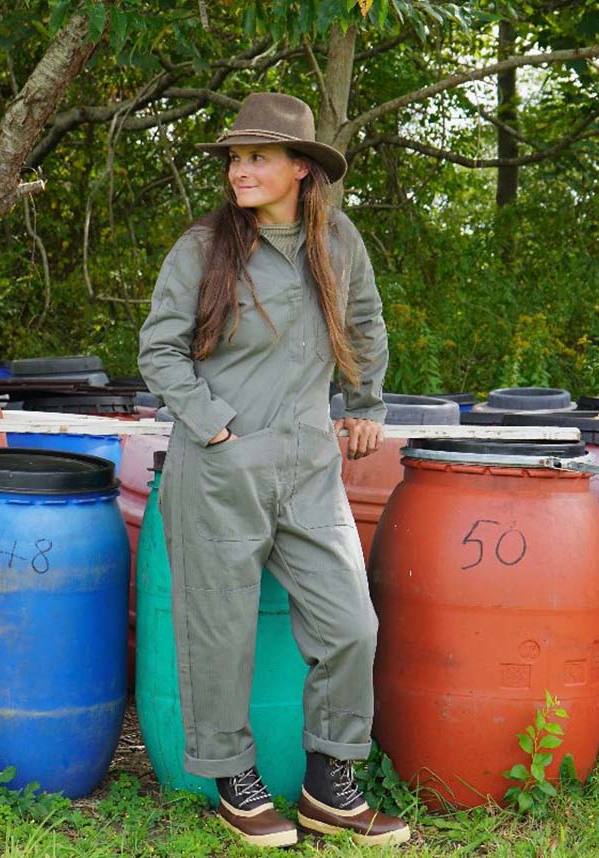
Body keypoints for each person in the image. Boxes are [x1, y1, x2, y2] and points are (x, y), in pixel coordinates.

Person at [137, 92, 409, 849]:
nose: (239, 170)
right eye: (233, 157)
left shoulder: (337, 239)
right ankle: (235, 783)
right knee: (218, 634)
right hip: (218, 471)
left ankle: (330, 784)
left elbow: (362, 321)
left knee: (350, 625)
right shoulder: (203, 247)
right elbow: (158, 349)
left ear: (299, 168)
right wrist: (210, 422)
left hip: (309, 468)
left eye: (256, 157)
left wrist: (365, 402)